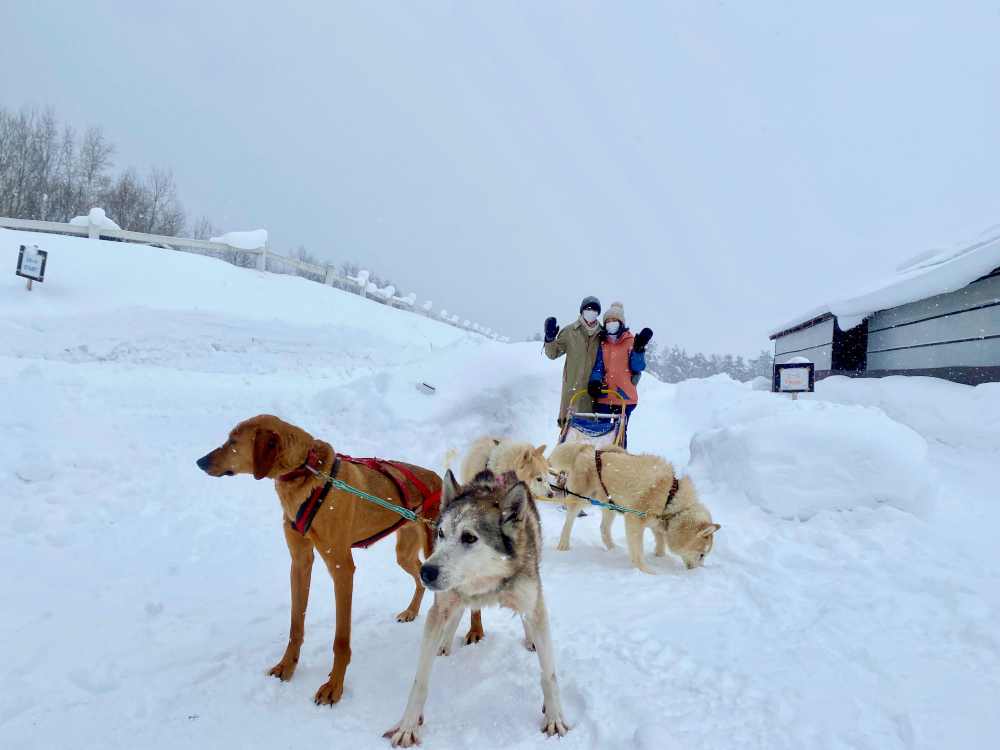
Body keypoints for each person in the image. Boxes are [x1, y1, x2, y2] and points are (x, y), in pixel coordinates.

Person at [587, 302, 653, 448]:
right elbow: (598, 367)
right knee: (601, 433)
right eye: (608, 321)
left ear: (621, 322)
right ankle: (599, 461)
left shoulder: (631, 341)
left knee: (620, 433)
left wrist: (639, 349)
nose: (611, 324)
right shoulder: (603, 343)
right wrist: (595, 382)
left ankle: (619, 461)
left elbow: (638, 366)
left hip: (624, 398)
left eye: (614, 321)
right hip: (604, 396)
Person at [543, 296, 603, 426]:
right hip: (571, 390)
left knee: (589, 432)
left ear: (598, 313)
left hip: (592, 392)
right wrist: (549, 338)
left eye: (594, 310)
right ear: (582, 311)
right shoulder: (570, 331)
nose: (591, 312)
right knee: (568, 431)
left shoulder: (602, 334)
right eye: (588, 309)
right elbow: (553, 353)